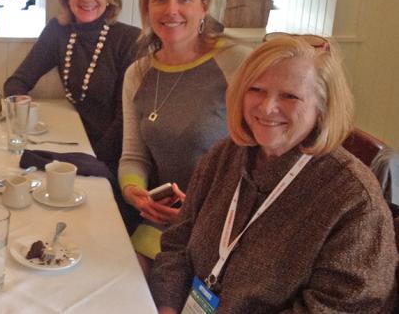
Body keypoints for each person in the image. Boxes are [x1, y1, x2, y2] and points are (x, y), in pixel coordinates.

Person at [150, 34, 397, 313]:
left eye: (289, 96)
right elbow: (177, 244)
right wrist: (167, 306)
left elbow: (339, 307)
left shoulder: (355, 201)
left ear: (322, 108)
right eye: (256, 89)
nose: (267, 108)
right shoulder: (225, 156)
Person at [118, 0, 250, 271]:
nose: (171, 9)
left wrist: (203, 214)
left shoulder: (238, 62)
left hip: (227, 225)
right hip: (164, 223)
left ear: (204, 6)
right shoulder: (137, 74)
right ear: (148, 9)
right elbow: (134, 156)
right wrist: (135, 192)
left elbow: (260, 161)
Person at [4, 0, 140, 172]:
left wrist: (91, 157)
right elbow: (17, 81)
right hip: (70, 141)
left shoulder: (129, 39)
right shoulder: (58, 31)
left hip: (110, 157)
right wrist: (19, 102)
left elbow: (126, 121)